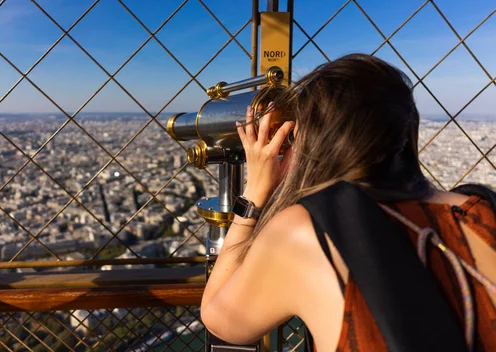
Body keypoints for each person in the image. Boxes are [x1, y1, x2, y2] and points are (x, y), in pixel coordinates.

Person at [199, 54, 496, 351]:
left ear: (309, 138)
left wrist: (253, 196)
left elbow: (219, 319)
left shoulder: (307, 230)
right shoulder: (481, 208)